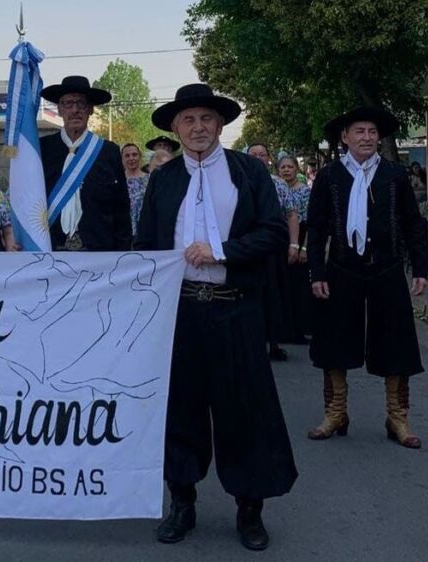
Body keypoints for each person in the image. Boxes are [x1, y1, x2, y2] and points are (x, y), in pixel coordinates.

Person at [135, 83, 297, 551]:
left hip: (237, 309)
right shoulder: (162, 181)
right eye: (188, 120)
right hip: (181, 312)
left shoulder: (248, 172)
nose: (198, 127)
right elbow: (145, 244)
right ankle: (182, 501)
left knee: (244, 411)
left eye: (206, 118)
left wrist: (221, 251)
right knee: (180, 411)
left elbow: (270, 231)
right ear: (175, 128)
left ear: (220, 124)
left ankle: (250, 509)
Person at [307, 106, 428, 448]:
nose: (366, 137)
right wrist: (316, 270)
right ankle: (336, 412)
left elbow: (412, 223)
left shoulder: (394, 174)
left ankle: (397, 417)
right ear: (345, 137)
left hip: (387, 268)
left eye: (372, 132)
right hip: (342, 268)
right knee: (334, 341)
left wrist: (420, 268)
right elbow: (315, 228)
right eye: (359, 131)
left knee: (396, 342)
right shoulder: (330, 176)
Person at [39, 75, 132, 251]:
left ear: (90, 109)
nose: (75, 110)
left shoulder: (108, 151)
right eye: (68, 103)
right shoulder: (43, 149)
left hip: (99, 252)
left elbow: (121, 208)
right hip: (50, 251)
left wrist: (123, 253)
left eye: (81, 104)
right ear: (59, 109)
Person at [247, 143, 298, 359]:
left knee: (275, 295)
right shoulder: (236, 181)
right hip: (247, 249)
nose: (258, 158)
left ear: (269, 158)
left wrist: (294, 244)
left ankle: (274, 343)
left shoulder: (279, 184)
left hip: (273, 248)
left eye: (262, 154)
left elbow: (292, 214)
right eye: (253, 155)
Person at [278, 155, 313, 342]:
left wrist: (304, 248)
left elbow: (310, 222)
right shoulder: (277, 189)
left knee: (300, 287)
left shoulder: (305, 192)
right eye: (282, 167)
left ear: (296, 169)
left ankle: (301, 329)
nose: (286, 170)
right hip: (280, 240)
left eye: (290, 167)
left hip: (300, 240)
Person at [121, 143, 149, 237]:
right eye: (127, 156)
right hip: (124, 230)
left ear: (140, 156)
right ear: (122, 159)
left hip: (145, 229)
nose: (131, 158)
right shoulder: (118, 181)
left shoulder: (150, 179)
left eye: (134, 154)